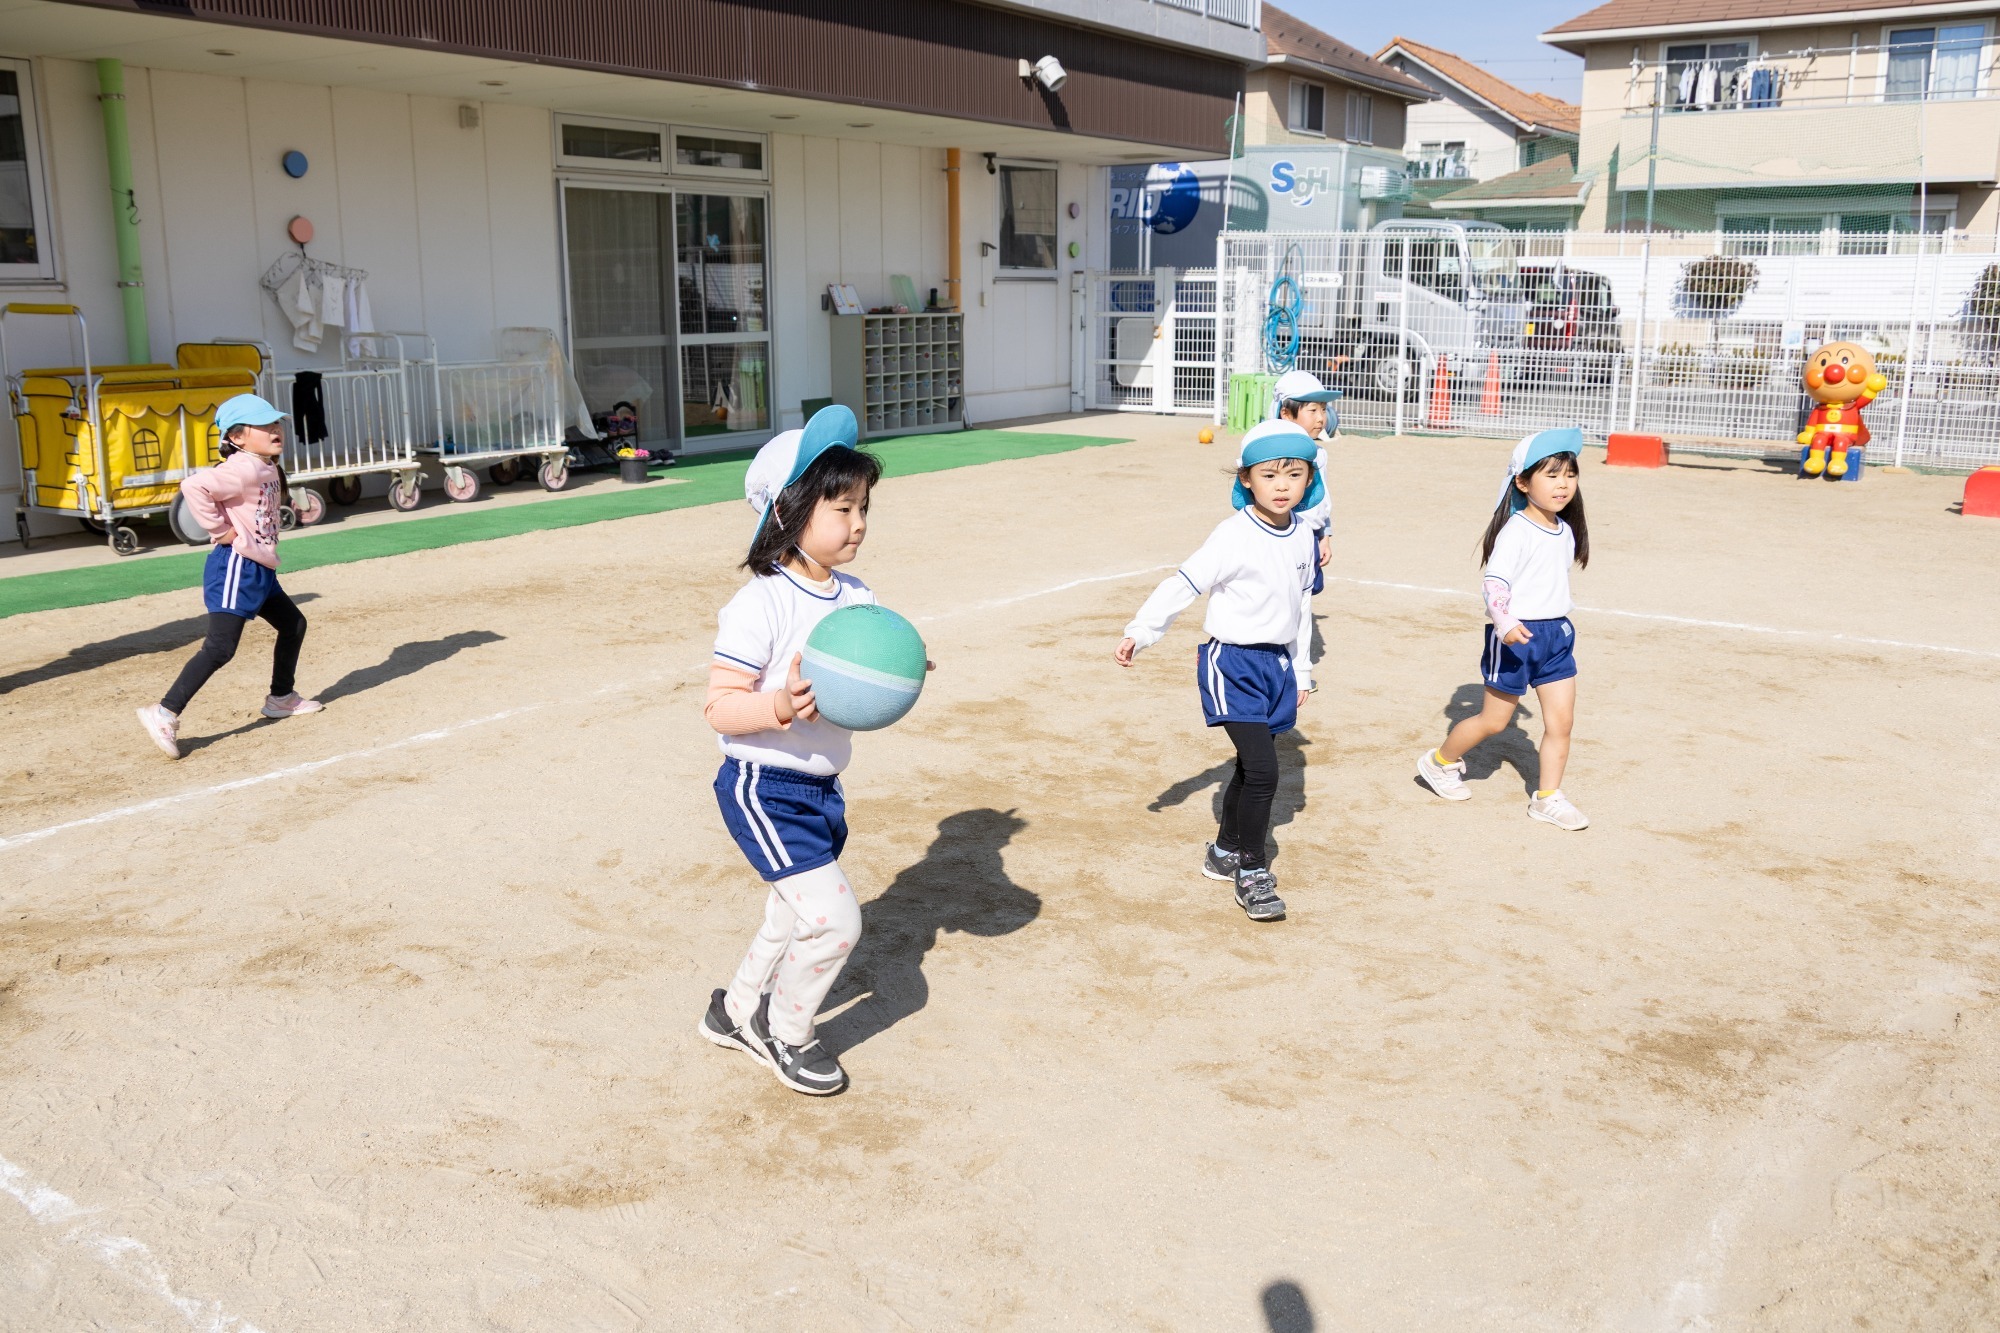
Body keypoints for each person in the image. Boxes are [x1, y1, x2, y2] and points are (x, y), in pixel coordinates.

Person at [696, 406, 907, 1096]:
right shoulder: (760, 603)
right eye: (841, 506)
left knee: (791, 914)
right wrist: (778, 705)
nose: (859, 522)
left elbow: (865, 668)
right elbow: (720, 706)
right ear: (788, 510)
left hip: (821, 786)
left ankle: (732, 1011)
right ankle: (786, 1032)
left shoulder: (856, 595)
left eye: (863, 506)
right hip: (764, 784)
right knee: (834, 920)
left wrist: (901, 667)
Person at [1115, 420, 1318, 922]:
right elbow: (1184, 583)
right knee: (1267, 771)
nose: (1282, 485)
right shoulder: (1232, 534)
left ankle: (1225, 848)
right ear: (1246, 479)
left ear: (1309, 479)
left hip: (1275, 665)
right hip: (1232, 663)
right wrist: (1141, 632)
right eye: (1269, 475)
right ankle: (1251, 870)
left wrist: (1302, 670)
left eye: (1294, 475)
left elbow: (1302, 608)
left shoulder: (1305, 534)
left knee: (1252, 767)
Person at [1416, 427, 1591, 831]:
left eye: (1569, 474)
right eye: (1551, 475)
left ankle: (1548, 798)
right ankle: (1438, 762)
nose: (1563, 484)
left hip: (1556, 638)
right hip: (1516, 639)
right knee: (1494, 722)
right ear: (1523, 482)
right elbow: (1495, 583)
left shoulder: (1563, 530)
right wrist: (1506, 622)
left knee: (1561, 723)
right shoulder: (1516, 530)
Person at [135, 394, 321, 760]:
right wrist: (221, 530)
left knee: (293, 624)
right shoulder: (243, 467)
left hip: (259, 565)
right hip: (236, 565)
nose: (275, 429)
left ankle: (281, 698)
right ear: (236, 438)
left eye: (276, 423)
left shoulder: (263, 464)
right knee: (220, 648)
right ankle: (164, 712)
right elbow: (194, 487)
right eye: (264, 425)